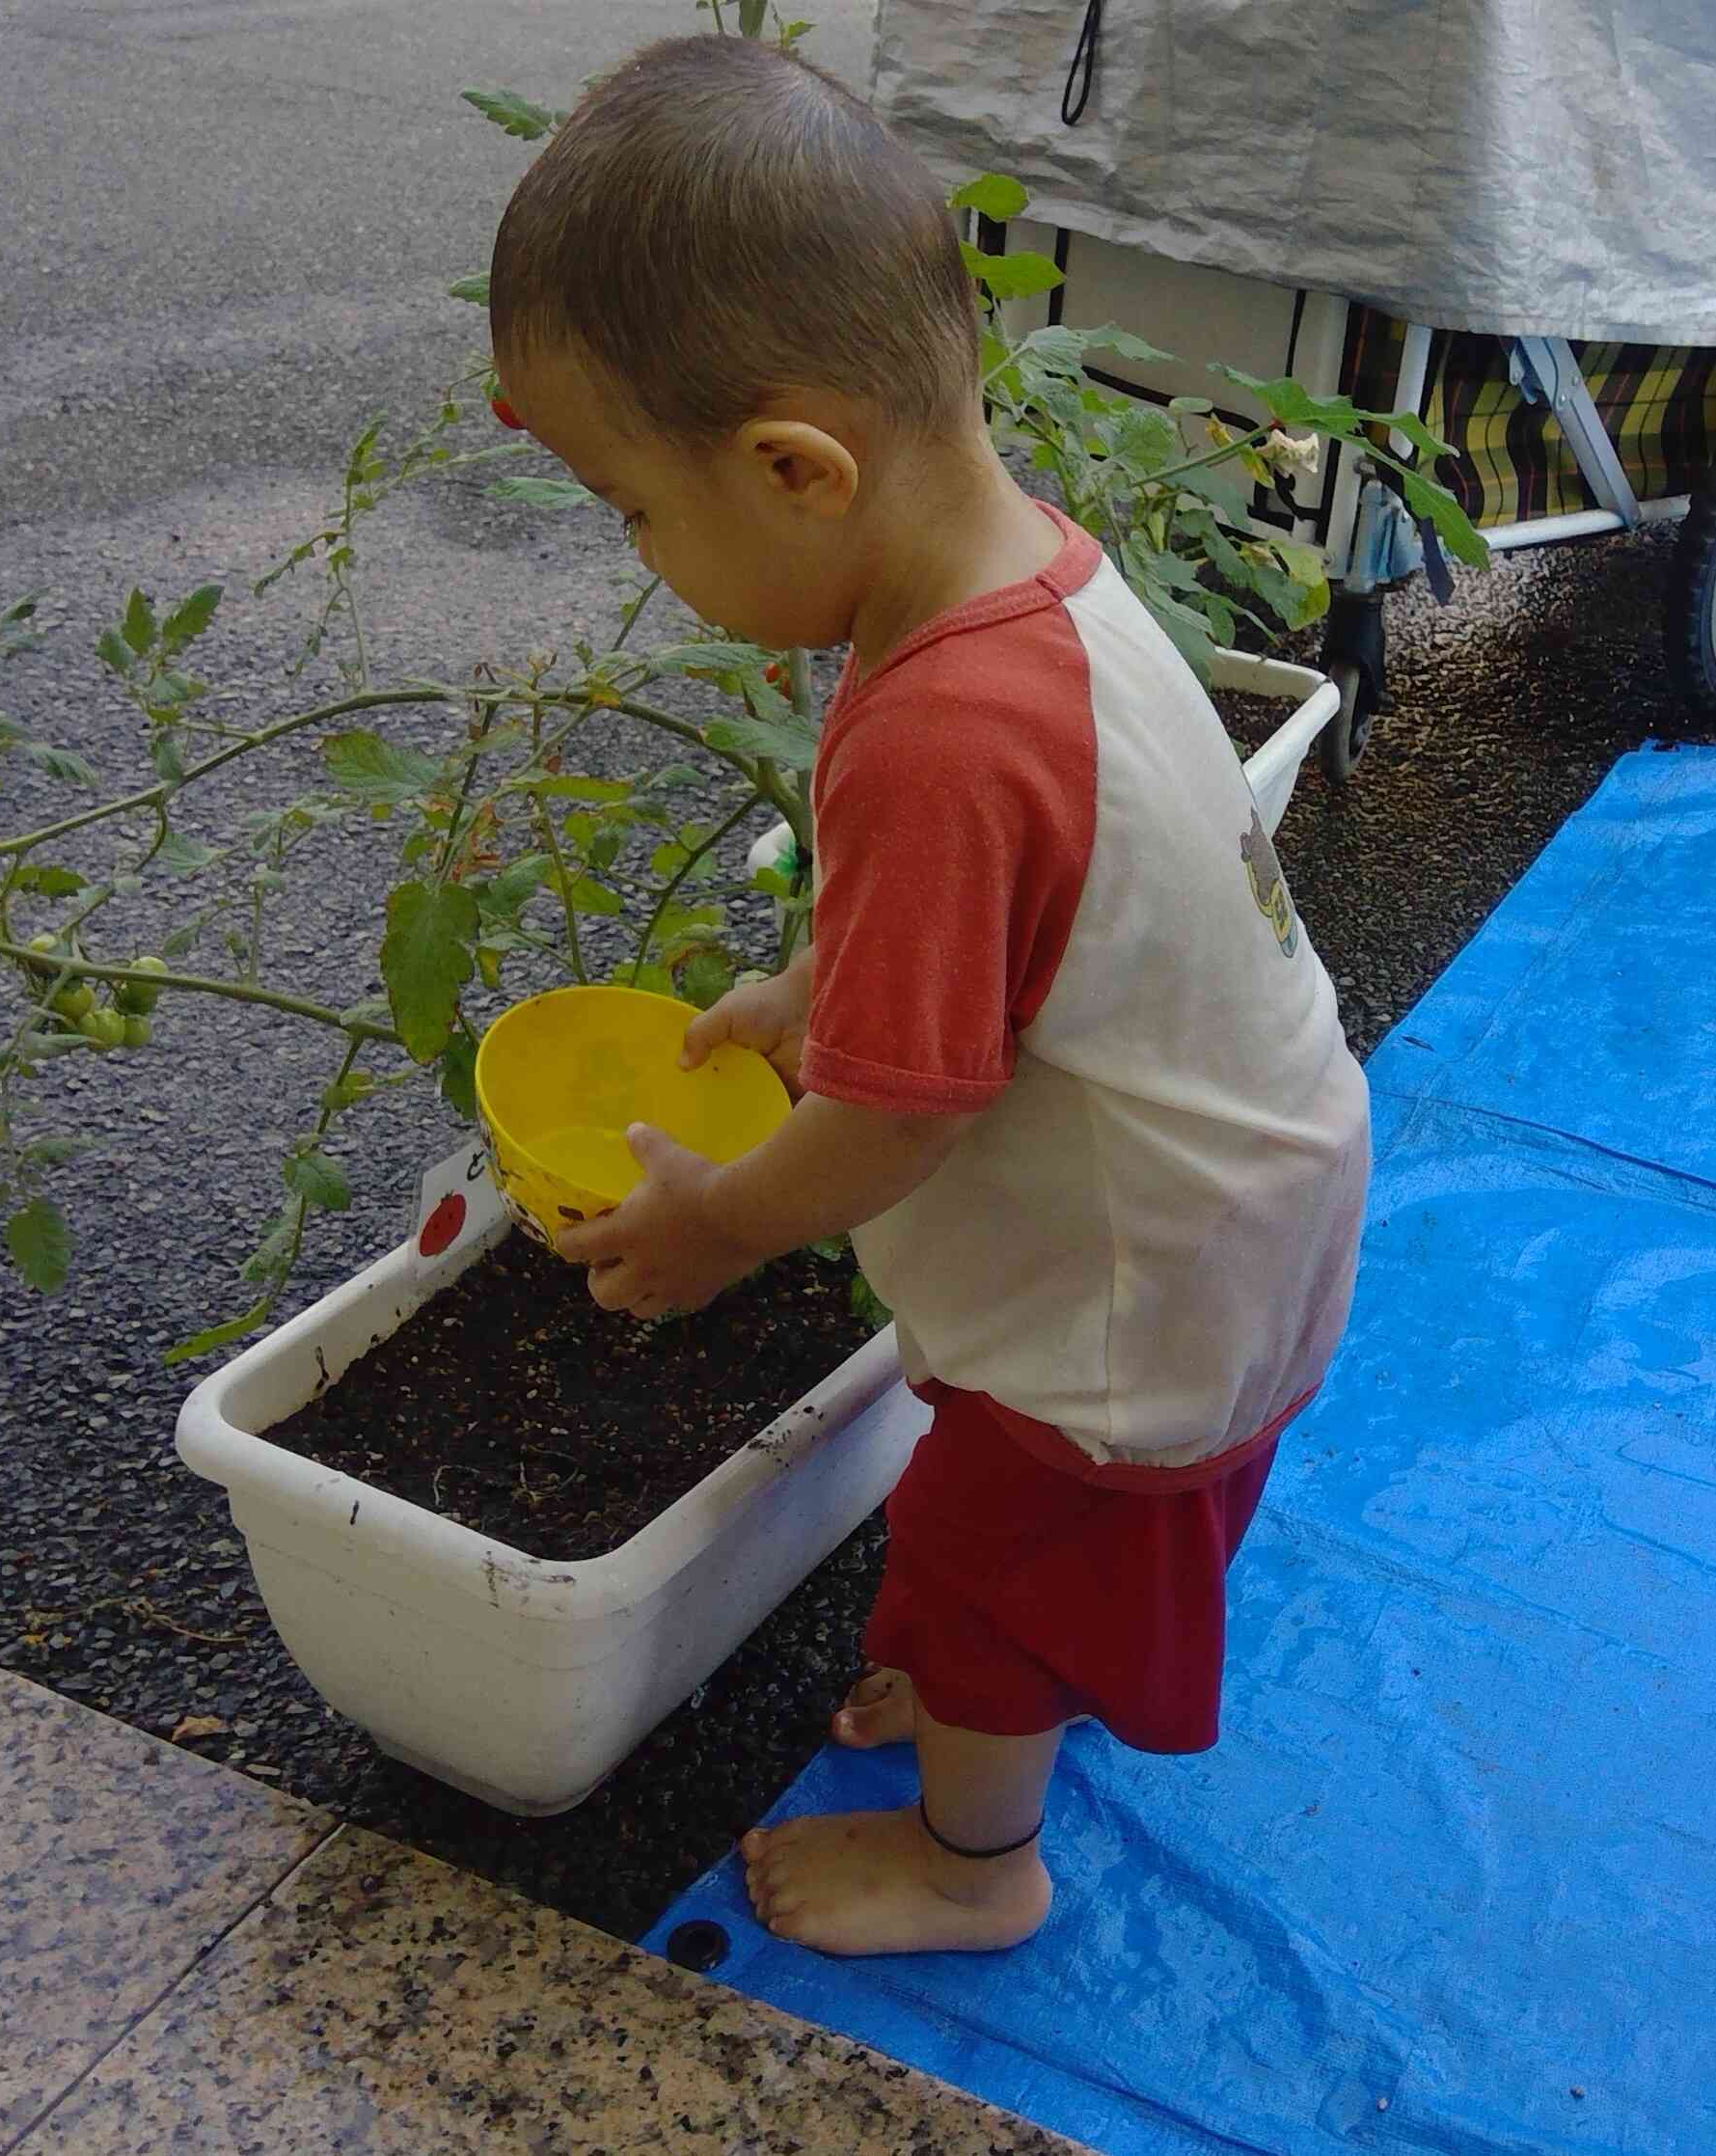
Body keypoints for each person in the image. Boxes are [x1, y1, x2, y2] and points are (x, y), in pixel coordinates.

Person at [490, 33, 1369, 1957]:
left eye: (637, 510)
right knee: (1052, 1545)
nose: (641, 559)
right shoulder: (1017, 574)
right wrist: (827, 977)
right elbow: (1026, 915)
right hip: (1243, 1192)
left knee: (989, 1551)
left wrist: (722, 1221)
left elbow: (902, 1112)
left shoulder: (937, 733)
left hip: (1138, 1284)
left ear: (798, 468)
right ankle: (1013, 1687)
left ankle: (981, 1853)